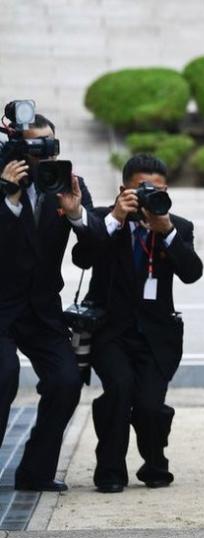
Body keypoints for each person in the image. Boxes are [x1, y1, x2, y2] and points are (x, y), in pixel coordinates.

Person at [71, 154, 203, 493]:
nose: (147, 196)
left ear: (166, 190)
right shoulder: (103, 220)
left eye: (155, 189)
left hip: (158, 336)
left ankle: (155, 462)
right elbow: (82, 257)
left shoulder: (178, 225)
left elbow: (192, 273)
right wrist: (115, 217)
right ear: (123, 189)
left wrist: (168, 232)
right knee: (119, 390)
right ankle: (110, 470)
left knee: (148, 404)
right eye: (140, 189)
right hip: (109, 331)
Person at [0, 113, 107, 492]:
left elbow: (93, 253)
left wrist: (78, 214)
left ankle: (35, 473)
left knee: (65, 381)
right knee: (3, 376)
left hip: (42, 308)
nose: (44, 155)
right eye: (35, 147)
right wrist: (8, 199)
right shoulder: (1, 186)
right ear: (15, 148)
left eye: (50, 145)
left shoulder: (66, 184)